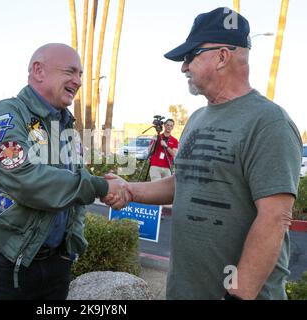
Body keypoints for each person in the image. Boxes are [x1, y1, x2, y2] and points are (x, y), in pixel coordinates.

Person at [103, 7, 302, 300]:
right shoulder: (197, 118)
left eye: (190, 56)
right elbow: (183, 181)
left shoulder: (269, 123)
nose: (183, 67)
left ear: (222, 57)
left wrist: (237, 295)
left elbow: (275, 217)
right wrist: (129, 190)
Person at [0, 43, 130, 300]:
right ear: (38, 71)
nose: (78, 81)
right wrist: (101, 186)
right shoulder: (6, 114)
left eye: (80, 75)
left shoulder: (67, 126)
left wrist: (70, 247)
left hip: (55, 264)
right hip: (2, 262)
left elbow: (72, 184)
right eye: (70, 72)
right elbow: (24, 178)